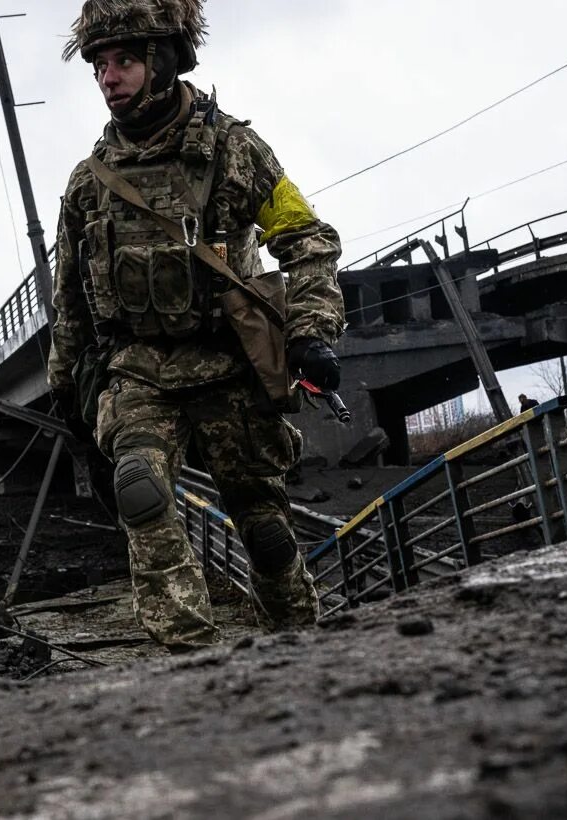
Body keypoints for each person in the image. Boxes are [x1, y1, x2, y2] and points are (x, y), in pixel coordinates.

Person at [47, 0, 345, 651]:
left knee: (264, 527)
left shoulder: (234, 151)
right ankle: (191, 658)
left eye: (123, 59)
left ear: (162, 59)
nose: (108, 76)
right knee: (141, 491)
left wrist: (312, 328)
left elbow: (305, 237)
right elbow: (68, 294)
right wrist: (67, 382)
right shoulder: (88, 184)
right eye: (99, 64)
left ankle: (302, 646)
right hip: (138, 369)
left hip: (229, 361)